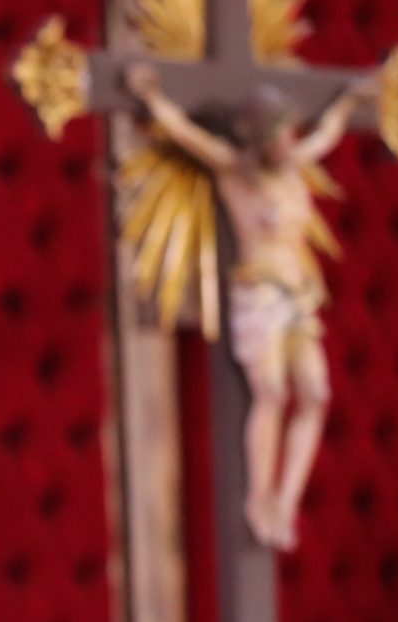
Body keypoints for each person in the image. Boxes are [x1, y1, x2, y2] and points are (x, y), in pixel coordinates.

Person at [125, 63, 368, 551]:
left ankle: (286, 501)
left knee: (315, 394)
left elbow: (327, 134)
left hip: (298, 296)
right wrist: (150, 98)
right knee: (272, 393)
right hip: (259, 295)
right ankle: (259, 498)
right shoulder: (236, 172)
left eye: (288, 132)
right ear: (260, 140)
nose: (287, 140)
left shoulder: (295, 164)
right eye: (278, 134)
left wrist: (348, 102)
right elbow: (185, 134)